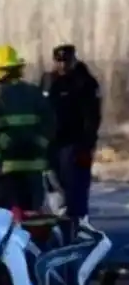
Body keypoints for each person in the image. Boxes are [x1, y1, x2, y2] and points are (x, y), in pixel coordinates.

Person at [0, 44, 55, 211]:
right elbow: (50, 123)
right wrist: (39, 144)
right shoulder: (34, 93)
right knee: (33, 218)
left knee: (6, 220)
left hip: (4, 169)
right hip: (34, 168)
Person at [39, 44, 102, 222]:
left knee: (76, 191)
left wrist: (87, 146)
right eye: (59, 61)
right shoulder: (48, 80)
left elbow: (92, 117)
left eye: (66, 61)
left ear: (74, 60)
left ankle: (78, 226)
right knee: (53, 191)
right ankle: (59, 227)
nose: (62, 65)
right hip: (51, 145)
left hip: (74, 145)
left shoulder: (85, 82)